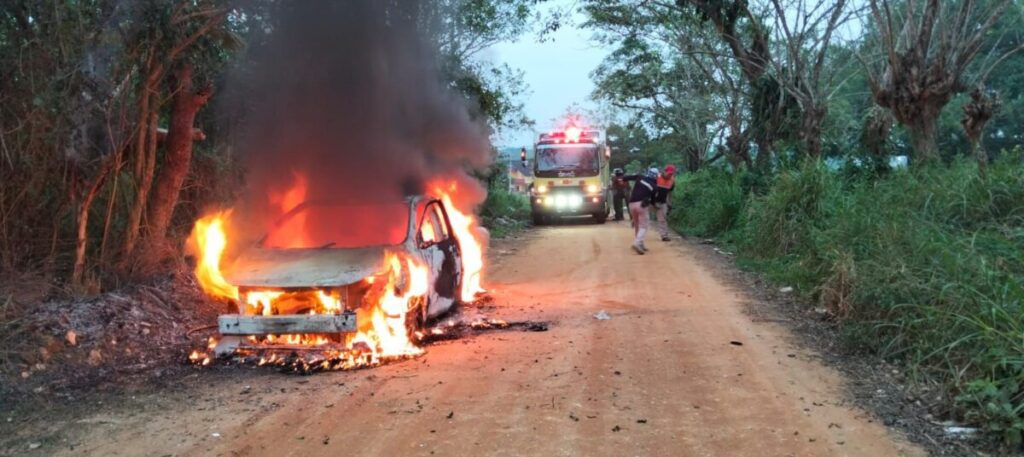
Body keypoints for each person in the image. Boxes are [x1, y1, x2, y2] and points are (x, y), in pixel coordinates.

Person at [622, 167, 659, 254]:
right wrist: (655, 206)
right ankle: (637, 243)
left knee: (637, 225)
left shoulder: (640, 177)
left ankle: (641, 244)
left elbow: (625, 178)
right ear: (656, 176)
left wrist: (622, 179)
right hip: (641, 206)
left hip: (631, 204)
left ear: (648, 173)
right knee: (644, 226)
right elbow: (653, 201)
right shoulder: (654, 187)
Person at [651, 164, 676, 241]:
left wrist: (669, 203)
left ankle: (664, 235)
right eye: (668, 173)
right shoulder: (656, 177)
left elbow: (669, 193)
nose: (669, 175)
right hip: (651, 201)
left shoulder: (672, 180)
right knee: (643, 217)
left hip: (662, 202)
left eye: (671, 174)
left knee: (662, 219)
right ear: (664, 171)